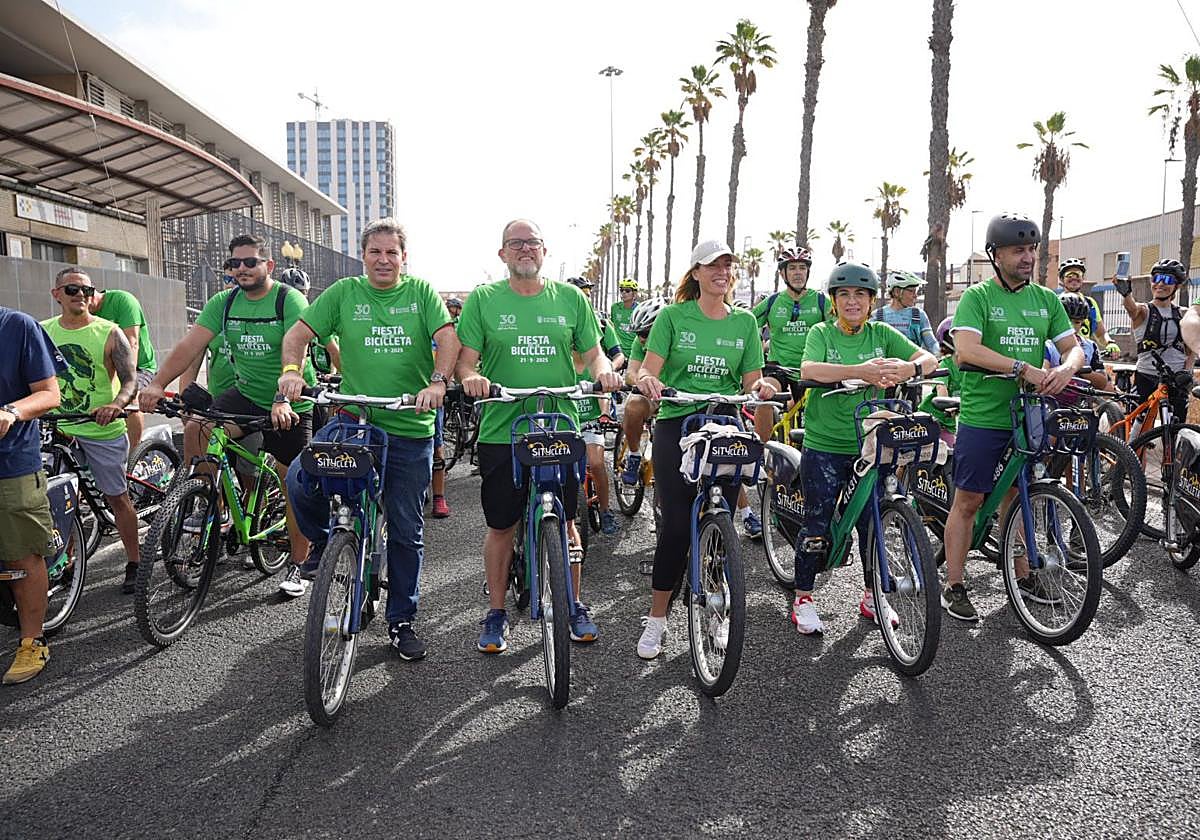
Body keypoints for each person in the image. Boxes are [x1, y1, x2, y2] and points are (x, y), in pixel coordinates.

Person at [279, 218, 459, 662]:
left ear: (403, 257)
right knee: (301, 478)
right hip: (354, 420)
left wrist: (437, 382)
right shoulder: (343, 293)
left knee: (405, 531)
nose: (383, 260)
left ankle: (402, 621)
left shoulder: (420, 294)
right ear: (364, 256)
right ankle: (325, 542)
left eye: (391, 252)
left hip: (408, 427)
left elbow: (448, 339)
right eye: (375, 252)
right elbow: (299, 335)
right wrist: (290, 372)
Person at [456, 219, 621, 654]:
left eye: (532, 243)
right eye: (516, 243)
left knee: (567, 522)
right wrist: (472, 378)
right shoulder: (484, 300)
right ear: (502, 254)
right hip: (501, 428)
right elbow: (465, 362)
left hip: (559, 424)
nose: (525, 249)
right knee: (502, 525)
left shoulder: (570, 299)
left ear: (544, 251)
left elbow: (593, 352)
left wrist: (602, 370)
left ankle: (575, 603)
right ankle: (495, 611)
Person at [140, 234, 316, 598]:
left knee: (294, 485)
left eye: (250, 262)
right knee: (197, 427)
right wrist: (157, 384)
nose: (241, 269)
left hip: (290, 400)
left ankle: (299, 563)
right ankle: (203, 500)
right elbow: (190, 345)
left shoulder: (288, 299)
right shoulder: (224, 302)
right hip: (247, 394)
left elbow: (293, 348)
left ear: (268, 265)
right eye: (234, 263)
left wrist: (283, 397)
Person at [632, 239, 776, 660]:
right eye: (713, 265)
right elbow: (648, 368)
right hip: (679, 422)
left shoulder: (745, 322)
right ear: (695, 272)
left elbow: (752, 379)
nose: (722, 272)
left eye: (728, 265)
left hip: (726, 424)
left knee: (720, 524)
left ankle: (716, 607)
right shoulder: (674, 317)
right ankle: (657, 619)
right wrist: (646, 381)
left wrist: (761, 387)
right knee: (677, 526)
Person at [942, 213, 1083, 622]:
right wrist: (1024, 368)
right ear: (996, 255)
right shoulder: (978, 298)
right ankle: (955, 584)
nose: (1028, 257)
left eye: (1032, 249)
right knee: (969, 500)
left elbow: (1073, 347)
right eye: (1018, 250)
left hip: (1027, 413)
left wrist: (1066, 369)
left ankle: (1022, 576)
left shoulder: (1045, 299)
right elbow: (967, 350)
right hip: (984, 415)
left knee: (1019, 495)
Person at [787, 261, 937, 634]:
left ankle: (874, 597)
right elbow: (809, 370)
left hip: (871, 444)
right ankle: (803, 596)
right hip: (825, 444)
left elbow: (930, 359)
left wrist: (908, 370)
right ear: (834, 301)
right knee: (817, 522)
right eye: (844, 295)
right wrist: (861, 371)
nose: (852, 301)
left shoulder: (882, 332)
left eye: (860, 294)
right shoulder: (822, 331)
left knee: (874, 522)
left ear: (872, 301)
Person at [42, 268, 141, 594]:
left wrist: (116, 404)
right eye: (72, 289)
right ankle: (66, 561)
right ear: (57, 294)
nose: (80, 294)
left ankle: (135, 561)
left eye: (86, 289)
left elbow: (129, 380)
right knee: (58, 498)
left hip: (101, 430)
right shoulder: (42, 332)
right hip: (59, 431)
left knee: (116, 497)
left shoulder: (110, 332)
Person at [0, 307, 64, 684]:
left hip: (10, 464)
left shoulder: (16, 326)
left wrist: (10, 411)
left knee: (22, 553)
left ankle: (32, 639)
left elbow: (49, 393)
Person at [751, 246, 828, 444]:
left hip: (813, 369)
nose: (798, 273)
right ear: (783, 273)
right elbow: (746, 327)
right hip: (779, 369)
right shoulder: (773, 302)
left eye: (802, 267)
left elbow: (839, 330)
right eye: (792, 268)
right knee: (764, 395)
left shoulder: (821, 301)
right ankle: (760, 451)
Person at [1116, 258, 1194, 422]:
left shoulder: (1183, 314)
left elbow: (1190, 349)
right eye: (1156, 278)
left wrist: (1186, 372)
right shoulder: (1144, 311)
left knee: (1176, 425)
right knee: (1139, 425)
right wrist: (1126, 294)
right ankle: (1132, 447)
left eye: (1167, 280)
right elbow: (1131, 308)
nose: (1160, 284)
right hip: (1146, 375)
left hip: (1176, 377)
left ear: (1177, 286)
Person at [86, 277, 157, 448]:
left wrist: (127, 385)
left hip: (138, 368)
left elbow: (132, 342)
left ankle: (134, 455)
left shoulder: (122, 300)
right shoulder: (79, 314)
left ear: (90, 292)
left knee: (128, 401)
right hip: (104, 370)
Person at [1047, 292, 1112, 397]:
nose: (1071, 326)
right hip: (1052, 402)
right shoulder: (1048, 344)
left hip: (1082, 404)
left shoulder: (1090, 346)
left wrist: (1077, 367)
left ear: (1083, 323)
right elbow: (1043, 373)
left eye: (1077, 322)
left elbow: (1102, 383)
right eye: (1067, 321)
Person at [1056, 258, 1118, 356]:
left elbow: (1100, 333)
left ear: (1083, 278)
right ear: (1062, 279)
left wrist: (1110, 343)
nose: (1074, 278)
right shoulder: (1055, 302)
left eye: (1078, 274)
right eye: (1069, 275)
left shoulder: (1090, 303)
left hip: (1086, 354)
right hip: (1061, 353)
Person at [918, 317, 963, 448]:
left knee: (949, 456)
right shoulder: (945, 364)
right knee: (917, 455)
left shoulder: (971, 366)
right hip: (932, 419)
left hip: (950, 423)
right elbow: (941, 387)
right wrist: (947, 403)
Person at [873, 271, 939, 354]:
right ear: (897, 292)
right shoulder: (876, 316)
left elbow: (932, 344)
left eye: (916, 291)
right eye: (911, 291)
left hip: (913, 364)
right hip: (886, 365)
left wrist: (944, 355)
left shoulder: (919, 315)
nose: (915, 295)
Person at [610, 278, 640, 360]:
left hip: (634, 352)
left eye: (627, 290)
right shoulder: (615, 307)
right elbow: (612, 326)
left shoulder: (640, 309)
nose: (623, 293)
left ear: (634, 293)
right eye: (621, 290)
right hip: (617, 352)